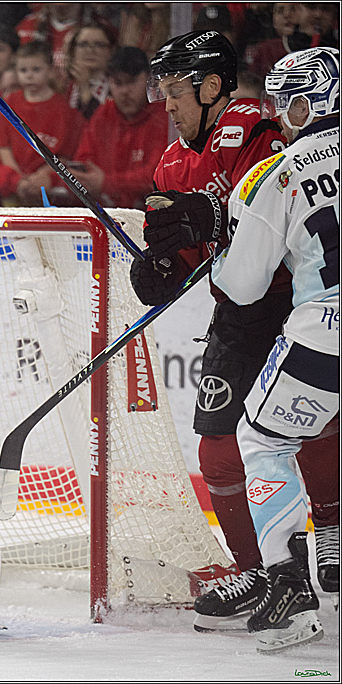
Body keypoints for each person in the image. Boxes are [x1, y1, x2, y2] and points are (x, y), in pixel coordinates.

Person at [130, 30, 339, 632]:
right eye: (162, 91)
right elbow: (192, 251)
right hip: (241, 316)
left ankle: (325, 540)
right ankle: (255, 571)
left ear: (212, 85)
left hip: (289, 303)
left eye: (175, 90)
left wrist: (209, 216)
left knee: (312, 424)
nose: (166, 105)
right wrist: (162, 264)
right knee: (218, 439)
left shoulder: (256, 129)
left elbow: (265, 212)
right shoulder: (171, 161)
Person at [209, 46, 339, 653]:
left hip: (326, 327)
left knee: (261, 440)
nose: (285, 114)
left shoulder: (279, 171)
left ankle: (289, 585)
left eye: (290, 102)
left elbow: (243, 286)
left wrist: (220, 248)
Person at [0, 41, 84, 206]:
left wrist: (44, 177)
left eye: (36, 69)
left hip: (49, 190)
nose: (29, 75)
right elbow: (3, 146)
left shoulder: (64, 110)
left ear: (51, 71)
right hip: (12, 187)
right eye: (23, 70)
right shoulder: (9, 103)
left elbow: (65, 156)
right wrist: (18, 180)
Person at [72, 47, 167, 210]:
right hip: (105, 215)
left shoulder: (164, 115)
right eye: (118, 83)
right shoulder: (103, 114)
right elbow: (83, 161)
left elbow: (157, 177)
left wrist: (106, 183)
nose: (124, 91)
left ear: (149, 80)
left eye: (131, 82)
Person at [64, 23, 116, 120]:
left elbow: (104, 125)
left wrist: (85, 89)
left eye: (99, 45)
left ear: (111, 50)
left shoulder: (117, 87)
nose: (90, 50)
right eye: (83, 44)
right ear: (73, 50)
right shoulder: (62, 86)